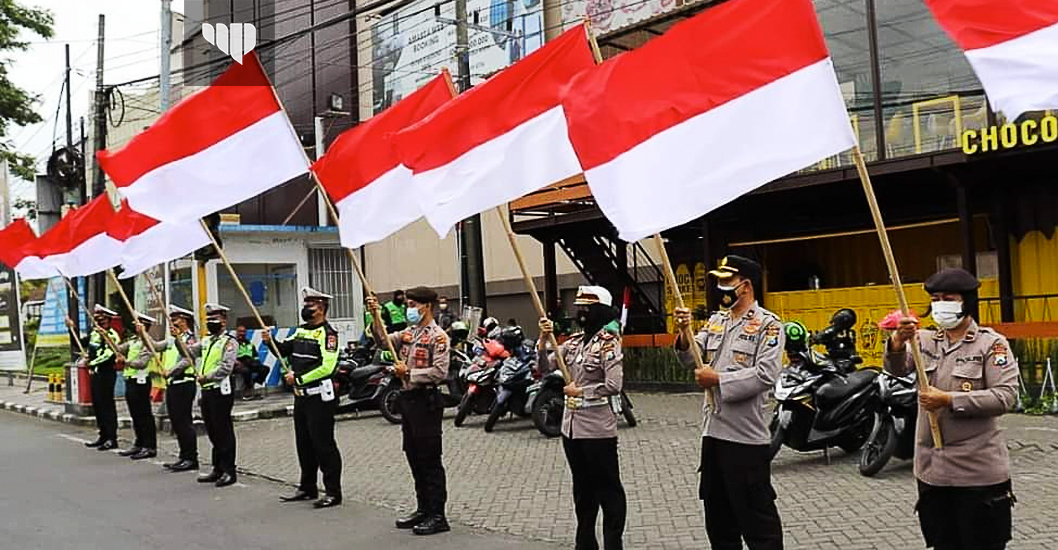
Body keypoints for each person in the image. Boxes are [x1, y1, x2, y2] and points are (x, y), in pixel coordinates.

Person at [885, 268, 1018, 550]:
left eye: (948, 298)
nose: (940, 304)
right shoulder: (923, 340)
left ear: (966, 302)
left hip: (977, 474)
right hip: (933, 472)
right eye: (935, 298)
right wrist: (897, 342)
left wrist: (948, 400)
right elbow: (896, 368)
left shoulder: (991, 344)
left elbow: (1005, 397)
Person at [673, 255, 784, 550]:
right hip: (713, 435)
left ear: (745, 285)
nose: (720, 287)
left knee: (758, 524)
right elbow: (690, 356)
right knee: (719, 522)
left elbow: (766, 375)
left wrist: (719, 380)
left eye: (726, 281)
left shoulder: (768, 325)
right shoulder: (716, 320)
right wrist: (684, 332)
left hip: (745, 440)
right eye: (719, 281)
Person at [538, 285, 626, 550]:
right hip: (571, 429)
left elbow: (614, 384)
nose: (582, 312)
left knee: (608, 490)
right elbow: (544, 367)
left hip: (597, 430)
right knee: (582, 491)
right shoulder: (574, 342)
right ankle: (585, 541)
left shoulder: (609, 342)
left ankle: (613, 543)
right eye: (580, 307)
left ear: (600, 310)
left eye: (587, 307)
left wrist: (583, 390)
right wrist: (543, 339)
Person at [367, 287, 450, 536]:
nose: (408, 308)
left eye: (412, 304)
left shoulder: (438, 336)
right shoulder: (408, 333)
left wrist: (409, 374)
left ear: (426, 306)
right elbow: (382, 340)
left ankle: (437, 515)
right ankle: (423, 508)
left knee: (429, 460)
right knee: (413, 456)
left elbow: (439, 372)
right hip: (408, 402)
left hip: (426, 402)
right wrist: (375, 315)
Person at [267, 287, 344, 509]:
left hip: (320, 397)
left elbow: (327, 367)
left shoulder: (328, 335)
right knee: (304, 444)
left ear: (321, 308)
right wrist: (268, 340)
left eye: (310, 305)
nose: (306, 309)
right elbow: (283, 351)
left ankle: (333, 492)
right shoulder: (301, 331)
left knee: (324, 445)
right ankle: (307, 486)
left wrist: (298, 378)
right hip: (301, 398)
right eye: (305, 304)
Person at [182, 303, 239, 487]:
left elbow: (226, 367)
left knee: (224, 431)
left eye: (215, 319)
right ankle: (218, 468)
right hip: (207, 391)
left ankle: (229, 470)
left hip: (220, 391)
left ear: (223, 320)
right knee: (213, 431)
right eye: (209, 320)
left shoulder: (229, 342)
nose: (211, 323)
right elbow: (188, 352)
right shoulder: (206, 341)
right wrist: (178, 338)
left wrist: (207, 377)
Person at [69, 305, 123, 451]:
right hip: (95, 374)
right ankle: (103, 435)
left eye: (104, 321)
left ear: (109, 321)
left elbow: (109, 355)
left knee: (107, 406)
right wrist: (71, 329)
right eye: (98, 321)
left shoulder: (111, 335)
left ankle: (112, 438)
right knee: (98, 406)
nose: (101, 323)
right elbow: (78, 343)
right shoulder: (94, 334)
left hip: (106, 374)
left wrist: (91, 362)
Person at [116, 311, 161, 460]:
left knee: (144, 415)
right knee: (135, 414)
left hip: (141, 382)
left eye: (138, 324)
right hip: (131, 380)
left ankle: (150, 446)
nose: (135, 326)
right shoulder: (134, 341)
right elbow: (118, 348)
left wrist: (126, 362)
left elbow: (142, 363)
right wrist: (105, 336)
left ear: (144, 326)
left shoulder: (147, 343)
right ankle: (139, 443)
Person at [161, 305, 200, 472]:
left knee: (184, 422)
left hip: (184, 383)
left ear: (184, 321)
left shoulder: (190, 339)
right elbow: (156, 346)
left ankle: (191, 457)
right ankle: (183, 455)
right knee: (176, 421)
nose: (173, 322)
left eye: (175, 319)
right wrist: (142, 334)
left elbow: (187, 359)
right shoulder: (172, 339)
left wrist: (171, 372)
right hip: (172, 384)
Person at [234, 325, 268, 401]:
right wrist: (236, 362)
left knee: (265, 369)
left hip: (249, 362)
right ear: (236, 332)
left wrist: (256, 362)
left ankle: (252, 384)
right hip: (238, 363)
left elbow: (255, 356)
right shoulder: (233, 343)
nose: (242, 333)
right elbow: (229, 357)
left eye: (243, 331)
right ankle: (248, 388)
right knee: (246, 371)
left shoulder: (250, 344)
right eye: (240, 331)